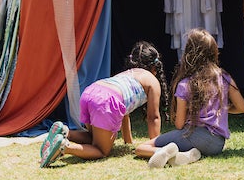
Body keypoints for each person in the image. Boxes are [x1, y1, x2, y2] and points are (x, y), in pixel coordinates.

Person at [39, 41, 169, 167]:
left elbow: (125, 113)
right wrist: (154, 145)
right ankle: (64, 147)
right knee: (101, 150)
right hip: (106, 100)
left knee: (93, 137)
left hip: (91, 92)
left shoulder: (128, 74)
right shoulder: (152, 81)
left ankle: (65, 132)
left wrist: (128, 142)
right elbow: (153, 118)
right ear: (155, 68)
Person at [135, 29, 244, 168]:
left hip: (194, 135)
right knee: (190, 145)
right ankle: (187, 156)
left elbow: (179, 124)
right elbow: (242, 108)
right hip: (218, 144)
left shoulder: (185, 84)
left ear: (189, 53)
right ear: (214, 52)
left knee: (142, 148)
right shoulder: (224, 78)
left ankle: (167, 152)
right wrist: (220, 107)